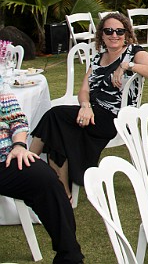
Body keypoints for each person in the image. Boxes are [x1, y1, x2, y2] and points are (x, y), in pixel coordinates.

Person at [30, 13, 148, 198]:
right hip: (93, 112)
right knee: (58, 128)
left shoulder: (135, 52)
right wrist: (85, 106)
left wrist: (128, 66)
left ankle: (29, 164)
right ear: (101, 35)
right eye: (109, 30)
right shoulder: (97, 59)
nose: (114, 35)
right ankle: (62, 191)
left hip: (116, 117)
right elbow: (84, 90)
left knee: (55, 116)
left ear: (126, 34)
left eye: (119, 31)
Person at [0, 93, 84, 264]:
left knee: (46, 179)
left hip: (5, 158)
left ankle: (70, 256)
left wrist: (18, 145)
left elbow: (17, 119)